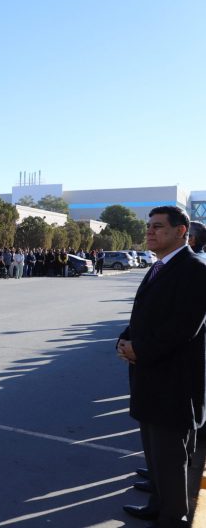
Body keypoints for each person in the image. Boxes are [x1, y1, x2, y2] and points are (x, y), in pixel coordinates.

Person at [118, 206, 206, 528]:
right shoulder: (160, 266)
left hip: (174, 383)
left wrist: (139, 349)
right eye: (149, 227)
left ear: (181, 231)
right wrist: (124, 339)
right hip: (149, 377)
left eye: (158, 227)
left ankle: (172, 518)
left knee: (170, 457)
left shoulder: (194, 270)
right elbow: (145, 315)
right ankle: (157, 505)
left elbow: (183, 327)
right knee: (155, 454)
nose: (150, 232)